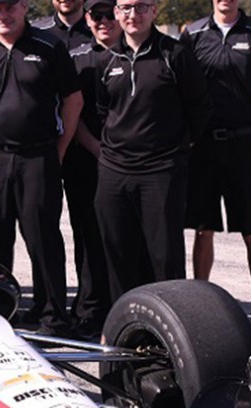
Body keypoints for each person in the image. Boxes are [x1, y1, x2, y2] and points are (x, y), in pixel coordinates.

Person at [0, 0, 83, 336]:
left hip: (38, 158)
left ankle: (52, 317)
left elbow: (73, 100)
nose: (3, 15)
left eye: (10, 7)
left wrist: (58, 150)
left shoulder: (49, 47)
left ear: (24, 7)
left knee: (43, 240)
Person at [94, 0, 210, 302]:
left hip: (160, 171)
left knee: (165, 257)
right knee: (118, 253)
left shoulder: (175, 54)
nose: (133, 14)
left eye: (141, 7)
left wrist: (178, 147)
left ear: (154, 11)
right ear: (117, 12)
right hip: (114, 170)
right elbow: (104, 110)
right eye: (126, 8)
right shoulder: (106, 59)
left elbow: (198, 107)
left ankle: (171, 320)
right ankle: (124, 321)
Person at [181, 0, 251, 282]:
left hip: (244, 145)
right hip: (203, 146)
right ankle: (201, 298)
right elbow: (181, 86)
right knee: (202, 229)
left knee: (250, 230)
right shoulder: (193, 34)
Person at [65, 0, 117, 338]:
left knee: (124, 237)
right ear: (88, 18)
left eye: (110, 14)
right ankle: (90, 308)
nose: (104, 21)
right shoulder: (77, 58)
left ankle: (124, 304)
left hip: (128, 161)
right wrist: (95, 147)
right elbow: (70, 110)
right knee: (87, 236)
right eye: (97, 15)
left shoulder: (134, 55)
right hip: (85, 159)